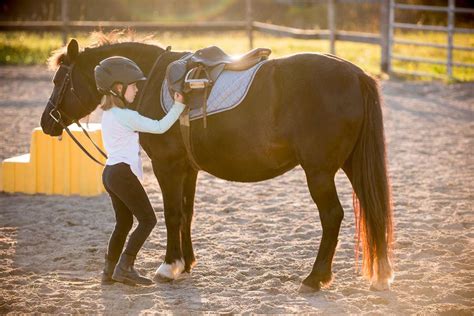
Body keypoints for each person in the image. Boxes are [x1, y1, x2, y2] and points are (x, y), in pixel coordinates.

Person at [94, 56, 186, 286]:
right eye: (133, 85)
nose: (136, 89)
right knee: (148, 220)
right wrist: (179, 105)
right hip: (122, 174)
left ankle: (109, 271)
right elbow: (160, 126)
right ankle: (125, 267)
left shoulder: (107, 114)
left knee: (123, 224)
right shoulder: (127, 116)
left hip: (110, 174)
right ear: (118, 88)